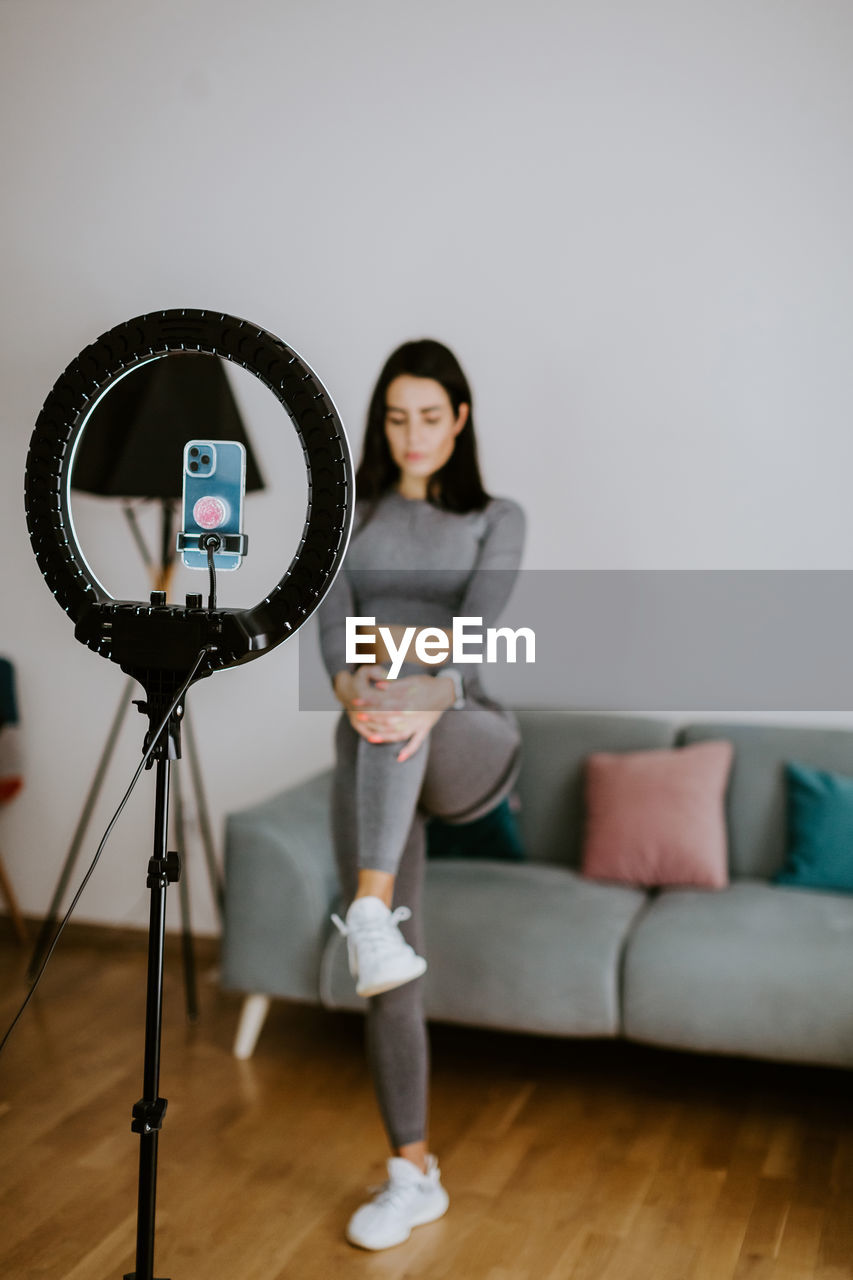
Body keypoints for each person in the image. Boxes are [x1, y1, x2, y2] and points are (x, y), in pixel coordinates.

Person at [317, 338, 526, 1251]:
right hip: (374, 740)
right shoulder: (349, 514)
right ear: (380, 422)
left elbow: (477, 640)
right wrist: (357, 692)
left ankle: (364, 908)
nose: (412, 434)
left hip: (470, 734)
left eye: (429, 417)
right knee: (390, 973)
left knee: (398, 688)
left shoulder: (494, 516)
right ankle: (412, 1172)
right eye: (396, 418)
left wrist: (404, 690)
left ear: (460, 420)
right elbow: (330, 637)